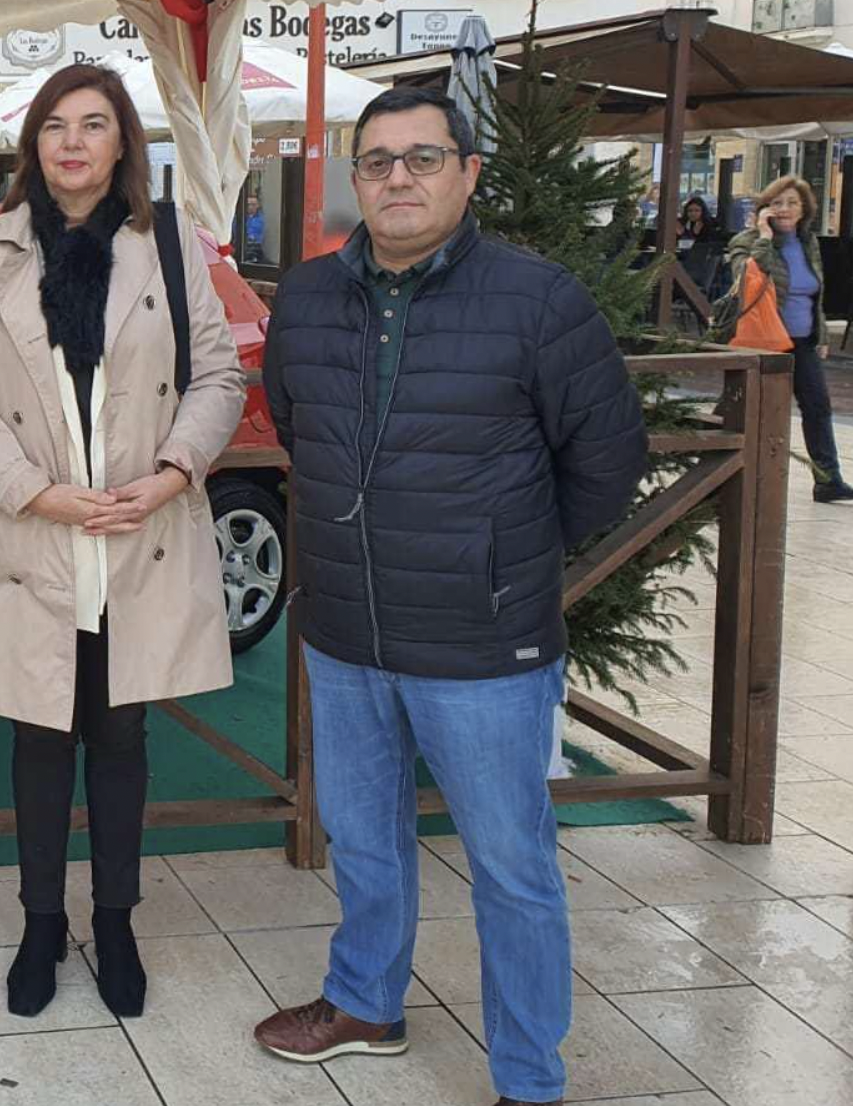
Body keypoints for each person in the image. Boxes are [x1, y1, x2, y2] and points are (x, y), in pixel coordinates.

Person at [255, 87, 647, 1106]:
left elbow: (605, 461)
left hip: (482, 644)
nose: (397, 178)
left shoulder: (537, 298)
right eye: (377, 160)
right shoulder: (305, 296)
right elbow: (299, 427)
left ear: (468, 173)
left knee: (512, 866)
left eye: (422, 158)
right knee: (363, 835)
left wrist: (503, 556)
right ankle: (364, 1005)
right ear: (355, 178)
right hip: (344, 631)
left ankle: (527, 1077)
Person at [0, 63, 246, 1020]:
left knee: (120, 733)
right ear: (34, 144)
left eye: (94, 124)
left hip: (136, 533)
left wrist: (173, 473)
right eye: (56, 125)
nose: (73, 141)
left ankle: (114, 920)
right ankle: (38, 922)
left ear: (121, 145)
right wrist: (38, 494)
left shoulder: (173, 248)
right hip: (34, 535)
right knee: (38, 733)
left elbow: (218, 377)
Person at [722, 176, 852, 503]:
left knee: (817, 407)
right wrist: (764, 237)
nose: (785, 209)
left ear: (804, 209)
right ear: (765, 208)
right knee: (743, 407)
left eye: (792, 203)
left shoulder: (808, 243)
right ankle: (715, 471)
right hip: (762, 342)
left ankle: (827, 479)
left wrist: (821, 334)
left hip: (802, 341)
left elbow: (814, 294)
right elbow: (746, 277)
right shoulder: (746, 240)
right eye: (777, 203)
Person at [677, 195, 726, 299]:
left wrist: (694, 234)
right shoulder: (682, 223)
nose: (693, 213)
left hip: (700, 266)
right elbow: (678, 244)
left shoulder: (710, 225)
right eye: (690, 211)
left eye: (697, 210)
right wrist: (681, 234)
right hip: (683, 259)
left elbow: (705, 246)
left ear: (702, 211)